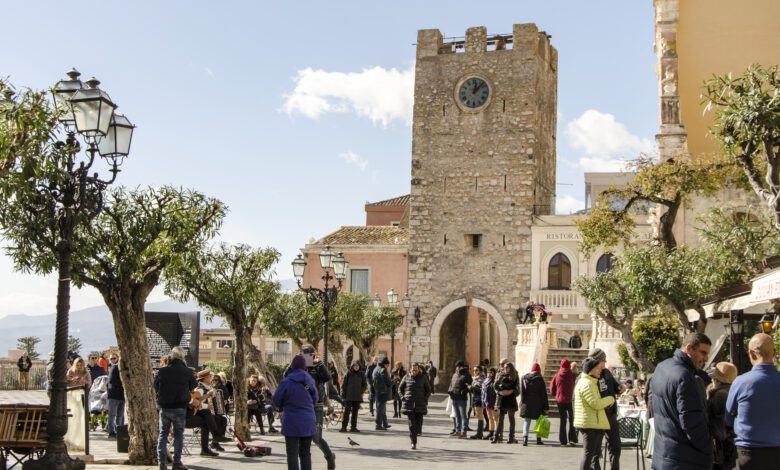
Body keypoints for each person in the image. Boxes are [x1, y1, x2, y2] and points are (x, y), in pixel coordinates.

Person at [650, 333, 713, 470]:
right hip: (684, 459)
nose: (706, 359)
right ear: (689, 348)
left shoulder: (662, 367)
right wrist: (709, 447)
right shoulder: (685, 376)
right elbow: (692, 423)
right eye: (703, 353)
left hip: (664, 454)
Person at [726, 333, 780, 469]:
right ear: (773, 353)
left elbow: (728, 418)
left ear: (751, 353)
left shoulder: (741, 382)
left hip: (747, 453)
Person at [284, 345, 336, 470]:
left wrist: (320, 363)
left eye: (309, 355)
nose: (306, 358)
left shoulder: (317, 367)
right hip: (298, 407)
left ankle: (329, 456)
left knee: (315, 437)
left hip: (315, 405)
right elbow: (286, 376)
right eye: (304, 355)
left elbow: (327, 378)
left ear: (313, 355)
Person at [274, 354, 318, 470]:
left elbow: (276, 400)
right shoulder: (309, 381)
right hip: (308, 420)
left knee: (292, 454)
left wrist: (285, 404)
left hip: (291, 421)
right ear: (304, 366)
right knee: (305, 453)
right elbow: (315, 398)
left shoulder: (286, 382)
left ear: (292, 366)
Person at [155, 346, 195, 470]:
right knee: (178, 435)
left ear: (171, 356)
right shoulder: (187, 371)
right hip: (179, 407)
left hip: (165, 407)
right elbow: (193, 385)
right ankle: (176, 463)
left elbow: (155, 385)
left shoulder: (162, 371)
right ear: (183, 357)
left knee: (163, 435)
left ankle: (161, 463)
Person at [574, 357, 616, 470]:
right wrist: (611, 399)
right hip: (589, 423)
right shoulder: (587, 384)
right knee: (588, 454)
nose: (600, 370)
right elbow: (596, 404)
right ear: (591, 370)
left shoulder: (590, 382)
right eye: (597, 368)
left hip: (592, 422)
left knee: (590, 454)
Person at [589, 348, 624, 469]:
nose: (605, 362)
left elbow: (615, 386)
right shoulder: (589, 376)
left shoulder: (607, 373)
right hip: (598, 417)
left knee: (615, 447)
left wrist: (620, 387)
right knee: (595, 450)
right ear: (596, 361)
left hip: (611, 416)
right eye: (603, 360)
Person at [706, 362, 737, 470]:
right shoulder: (733, 392)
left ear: (717, 380)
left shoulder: (720, 395)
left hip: (719, 448)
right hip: (730, 446)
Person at [399, 362, 431, 450]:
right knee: (412, 424)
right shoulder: (406, 377)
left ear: (418, 370)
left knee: (418, 422)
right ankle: (413, 442)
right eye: (413, 370)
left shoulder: (423, 378)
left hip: (420, 404)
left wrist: (425, 399)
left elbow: (428, 390)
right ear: (410, 369)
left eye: (416, 370)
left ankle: (417, 432)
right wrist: (402, 397)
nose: (414, 371)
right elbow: (400, 389)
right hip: (409, 404)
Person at [520, 362, 549, 446]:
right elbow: (543, 394)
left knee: (527, 421)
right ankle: (538, 439)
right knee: (539, 421)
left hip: (527, 403)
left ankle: (525, 438)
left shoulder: (525, 378)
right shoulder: (540, 379)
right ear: (539, 370)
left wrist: (522, 403)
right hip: (538, 403)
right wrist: (546, 407)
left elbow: (522, 392)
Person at [550, 358, 577, 446]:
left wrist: (555, 394)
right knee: (572, 419)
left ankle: (563, 441)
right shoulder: (572, 375)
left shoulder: (557, 375)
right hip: (569, 400)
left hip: (560, 400)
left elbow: (552, 389)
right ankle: (572, 439)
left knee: (563, 420)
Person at [493, 362, 519, 444]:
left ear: (511, 368)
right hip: (502, 399)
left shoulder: (515, 376)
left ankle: (511, 437)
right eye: (504, 367)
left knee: (511, 419)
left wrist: (511, 391)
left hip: (511, 399)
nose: (506, 369)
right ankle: (496, 437)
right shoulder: (501, 375)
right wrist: (499, 392)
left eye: (507, 367)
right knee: (500, 419)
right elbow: (495, 385)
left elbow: (518, 389)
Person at [339, 360, 366, 433]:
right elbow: (343, 386)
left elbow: (364, 384)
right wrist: (343, 396)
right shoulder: (348, 374)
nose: (356, 367)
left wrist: (361, 391)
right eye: (355, 366)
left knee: (355, 412)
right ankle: (344, 427)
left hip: (357, 397)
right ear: (352, 366)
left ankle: (353, 427)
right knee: (347, 412)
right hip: (348, 396)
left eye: (357, 366)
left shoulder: (362, 374)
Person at [447, 360, 472, 438]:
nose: (457, 368)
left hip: (462, 398)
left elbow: (470, 386)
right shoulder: (455, 375)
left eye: (459, 367)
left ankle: (464, 431)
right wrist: (449, 391)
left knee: (463, 415)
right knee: (457, 415)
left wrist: (464, 391)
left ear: (462, 367)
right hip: (454, 397)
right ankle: (458, 431)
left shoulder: (466, 375)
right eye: (457, 367)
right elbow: (451, 384)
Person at [106, 353, 124, 439]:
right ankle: (111, 432)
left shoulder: (121, 367)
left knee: (120, 415)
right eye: (111, 359)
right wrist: (124, 383)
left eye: (114, 358)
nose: (113, 360)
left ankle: (118, 431)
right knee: (112, 414)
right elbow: (111, 380)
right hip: (114, 394)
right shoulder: (114, 367)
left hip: (121, 395)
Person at [372, 356, 393, 431]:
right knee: (380, 409)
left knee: (382, 409)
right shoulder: (383, 370)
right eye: (387, 365)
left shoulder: (376, 368)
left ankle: (385, 423)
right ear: (385, 364)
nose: (388, 367)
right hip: (382, 392)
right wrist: (394, 380)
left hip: (377, 391)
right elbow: (388, 382)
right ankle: (378, 425)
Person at [469, 365, 486, 439]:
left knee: (480, 415)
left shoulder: (481, 379)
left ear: (480, 371)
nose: (474, 372)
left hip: (479, 398)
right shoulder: (475, 378)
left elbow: (481, 389)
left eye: (476, 370)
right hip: (475, 398)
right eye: (474, 370)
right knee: (478, 415)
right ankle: (479, 432)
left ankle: (479, 433)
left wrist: (472, 387)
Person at [482, 367, 498, 441]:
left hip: (494, 402)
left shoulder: (495, 381)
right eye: (488, 372)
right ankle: (491, 433)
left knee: (495, 418)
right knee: (490, 418)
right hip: (487, 401)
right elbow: (483, 392)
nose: (489, 374)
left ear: (494, 373)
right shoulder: (485, 381)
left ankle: (496, 433)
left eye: (491, 372)